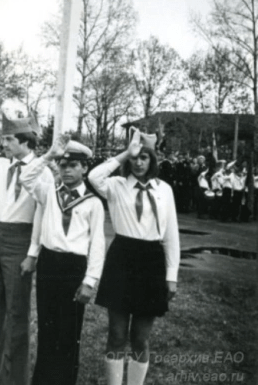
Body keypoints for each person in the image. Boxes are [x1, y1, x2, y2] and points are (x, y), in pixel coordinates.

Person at [88, 129, 180, 385]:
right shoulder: (116, 186)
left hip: (151, 261)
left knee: (141, 337)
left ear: (153, 160)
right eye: (134, 158)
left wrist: (171, 276)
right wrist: (124, 153)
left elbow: (171, 234)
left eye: (144, 158)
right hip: (122, 258)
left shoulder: (165, 190)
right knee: (117, 334)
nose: (138, 163)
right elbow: (94, 176)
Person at [0, 109, 51, 385]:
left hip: (21, 241)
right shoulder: (2, 166)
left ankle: (13, 378)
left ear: (25, 141)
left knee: (17, 314)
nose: (2, 144)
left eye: (7, 139)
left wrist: (32, 253)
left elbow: (42, 215)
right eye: (2, 139)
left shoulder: (43, 171)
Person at [19, 136, 106, 385]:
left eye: (73, 166)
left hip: (73, 268)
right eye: (63, 165)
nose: (67, 171)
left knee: (69, 331)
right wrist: (48, 156)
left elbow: (98, 244)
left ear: (85, 168)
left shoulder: (93, 203)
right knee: (47, 328)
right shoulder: (49, 193)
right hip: (49, 263)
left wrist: (90, 281)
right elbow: (25, 178)